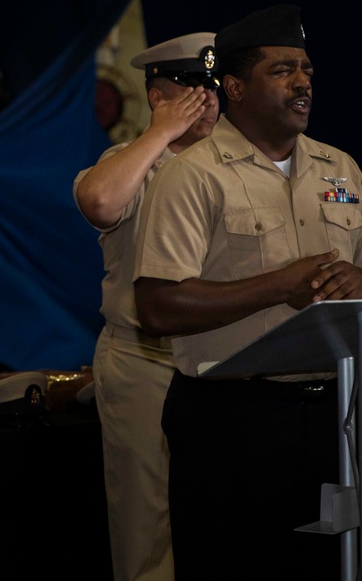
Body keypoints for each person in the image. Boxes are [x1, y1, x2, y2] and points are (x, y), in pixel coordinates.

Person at [133, 5, 362, 580]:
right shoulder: (193, 174)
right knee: (238, 564)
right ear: (234, 87)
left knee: (332, 563)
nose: (303, 81)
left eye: (306, 69)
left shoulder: (340, 167)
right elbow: (156, 307)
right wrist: (278, 286)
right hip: (233, 417)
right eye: (282, 70)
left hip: (336, 411)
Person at [73, 32, 219, 581]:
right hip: (145, 361)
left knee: (220, 516)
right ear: (159, 97)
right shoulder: (130, 161)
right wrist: (162, 131)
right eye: (192, 88)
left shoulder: (236, 165)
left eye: (214, 86)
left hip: (218, 364)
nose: (208, 98)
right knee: (146, 527)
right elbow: (101, 202)